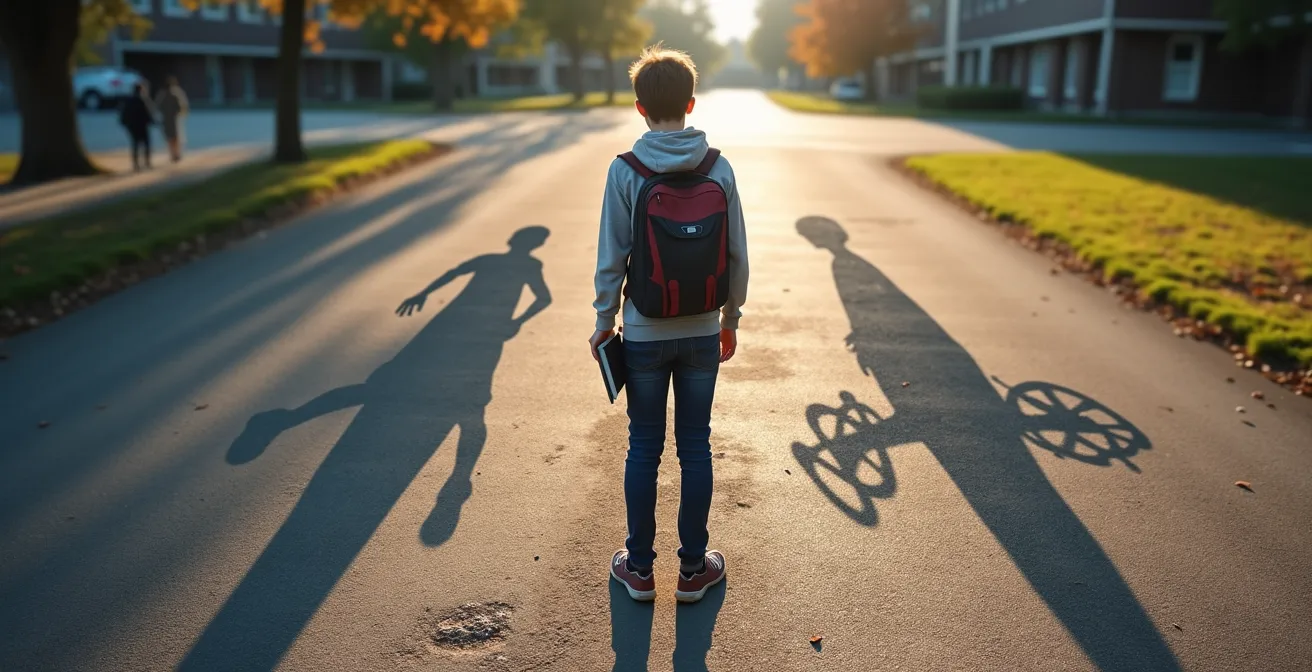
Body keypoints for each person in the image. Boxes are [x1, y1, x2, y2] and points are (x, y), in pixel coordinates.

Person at [590, 45, 749, 604]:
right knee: (696, 446)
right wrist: (730, 317)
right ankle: (692, 570)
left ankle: (638, 569)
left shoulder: (626, 171)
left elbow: (612, 254)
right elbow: (737, 255)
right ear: (690, 103)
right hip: (703, 328)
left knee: (643, 446)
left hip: (645, 330)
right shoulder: (718, 167)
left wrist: (604, 319)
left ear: (639, 108)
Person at [118, 81, 156, 170]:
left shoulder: (128, 101)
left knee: (135, 144)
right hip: (142, 126)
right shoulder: (143, 100)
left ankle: (136, 164)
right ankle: (147, 162)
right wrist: (153, 122)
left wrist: (125, 123)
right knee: (146, 144)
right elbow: (148, 113)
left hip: (132, 126)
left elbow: (124, 114)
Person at [155, 76, 189, 162]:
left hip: (167, 119)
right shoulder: (176, 93)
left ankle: (173, 154)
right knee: (176, 138)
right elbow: (182, 106)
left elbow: (158, 106)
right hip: (174, 119)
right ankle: (176, 154)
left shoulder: (162, 94)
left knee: (170, 138)